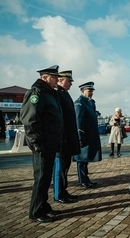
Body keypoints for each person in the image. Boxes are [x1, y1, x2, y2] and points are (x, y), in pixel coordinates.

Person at [20, 65, 63, 223]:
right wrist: (36, 143)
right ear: (45, 77)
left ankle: (43, 206)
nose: (58, 80)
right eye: (55, 77)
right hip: (42, 144)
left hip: (50, 143)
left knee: (46, 178)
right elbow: (30, 121)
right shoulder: (36, 93)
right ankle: (35, 212)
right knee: (41, 178)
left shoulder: (49, 93)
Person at [53, 70, 81, 204]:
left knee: (65, 167)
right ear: (60, 80)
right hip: (62, 139)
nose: (70, 84)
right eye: (68, 81)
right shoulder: (57, 93)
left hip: (68, 138)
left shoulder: (65, 93)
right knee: (59, 168)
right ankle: (58, 194)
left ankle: (63, 191)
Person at [73, 82, 102, 188]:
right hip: (84, 135)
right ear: (82, 91)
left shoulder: (90, 103)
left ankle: (86, 178)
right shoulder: (79, 103)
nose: (91, 93)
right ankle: (82, 180)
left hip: (91, 135)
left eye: (92, 91)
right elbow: (78, 120)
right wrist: (80, 136)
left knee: (86, 159)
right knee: (81, 159)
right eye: (89, 91)